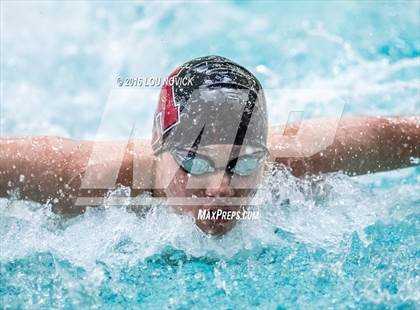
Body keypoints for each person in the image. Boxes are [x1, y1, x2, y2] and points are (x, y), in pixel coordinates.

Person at [0, 55, 419, 236]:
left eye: (240, 164)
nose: (219, 188)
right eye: (196, 164)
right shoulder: (83, 175)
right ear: (157, 149)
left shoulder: (300, 159)